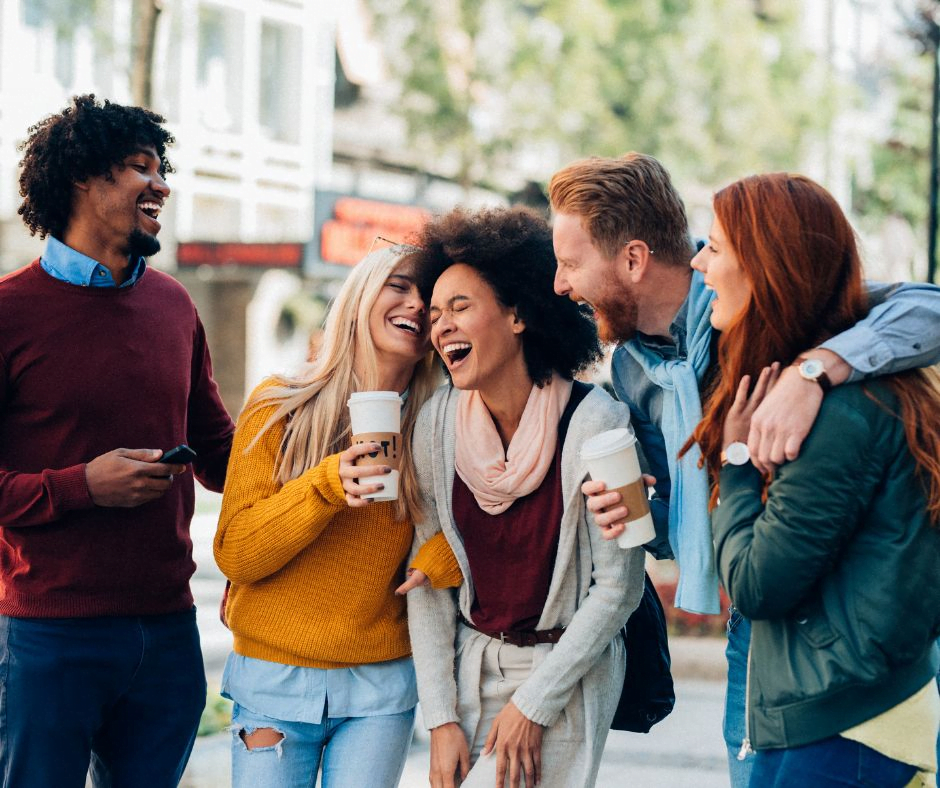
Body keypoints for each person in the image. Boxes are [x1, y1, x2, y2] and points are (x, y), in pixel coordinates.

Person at [549, 153, 940, 786]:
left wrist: (817, 370)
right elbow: (703, 526)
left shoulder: (768, 312)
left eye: (569, 264)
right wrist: (646, 512)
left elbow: (927, 309)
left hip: (845, 649)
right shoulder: (630, 374)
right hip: (759, 636)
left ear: (632, 259)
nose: (560, 285)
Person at [0, 95, 235, 787]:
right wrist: (82, 486)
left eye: (162, 168)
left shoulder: (174, 305)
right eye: (140, 167)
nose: (161, 183)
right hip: (50, 636)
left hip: (167, 633)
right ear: (81, 178)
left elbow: (218, 447)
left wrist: (315, 437)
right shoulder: (10, 313)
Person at [687, 172, 940, 786]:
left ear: (768, 269)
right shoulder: (828, 393)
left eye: (715, 248)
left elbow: (755, 585)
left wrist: (738, 462)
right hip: (848, 721)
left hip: (841, 731)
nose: (699, 263)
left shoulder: (834, 416)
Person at [404, 206, 645, 788]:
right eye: (436, 315)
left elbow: (620, 586)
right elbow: (430, 581)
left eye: (461, 307)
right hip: (471, 670)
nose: (442, 327)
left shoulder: (598, 422)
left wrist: (532, 706)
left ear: (517, 315)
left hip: (564, 676)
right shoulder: (435, 425)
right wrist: (439, 720)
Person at [213, 243, 458, 788]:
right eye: (400, 286)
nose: (417, 304)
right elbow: (236, 552)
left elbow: (473, 529)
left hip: (380, 686)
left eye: (431, 297)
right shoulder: (280, 405)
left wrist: (441, 558)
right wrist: (324, 486)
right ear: (362, 295)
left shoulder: (441, 424)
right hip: (272, 683)